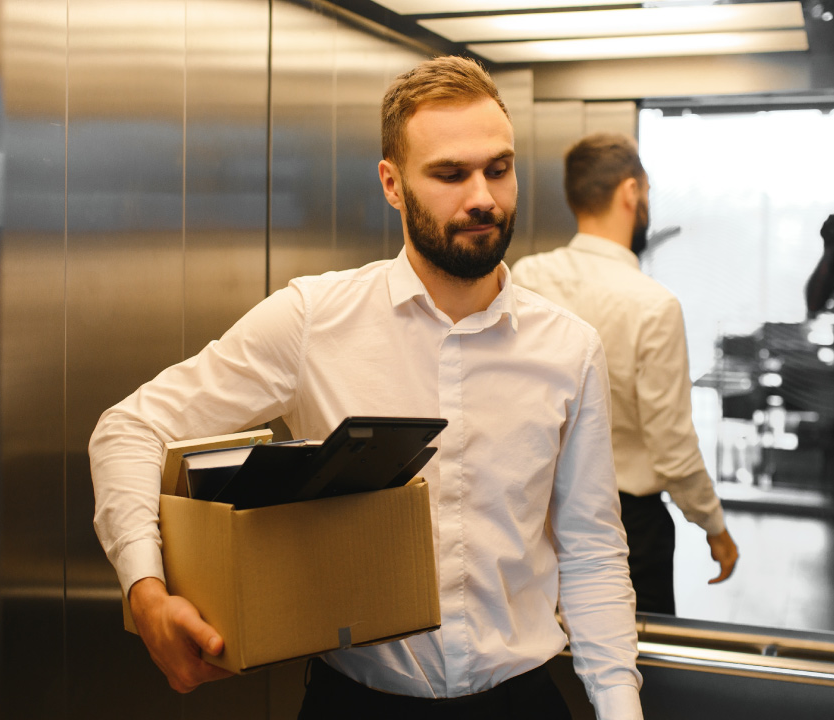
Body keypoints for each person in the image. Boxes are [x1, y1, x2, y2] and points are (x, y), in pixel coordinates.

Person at [88, 57, 642, 719]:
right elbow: (131, 427)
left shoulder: (569, 348)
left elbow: (592, 549)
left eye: (498, 169)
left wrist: (620, 707)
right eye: (450, 174)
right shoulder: (313, 321)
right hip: (355, 703)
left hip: (521, 702)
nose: (483, 199)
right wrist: (146, 592)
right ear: (392, 184)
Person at [513, 133, 739, 616]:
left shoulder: (524, 280)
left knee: (551, 647)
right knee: (631, 655)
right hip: (626, 526)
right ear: (631, 192)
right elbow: (672, 444)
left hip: (537, 516)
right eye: (647, 193)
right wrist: (713, 526)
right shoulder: (654, 305)